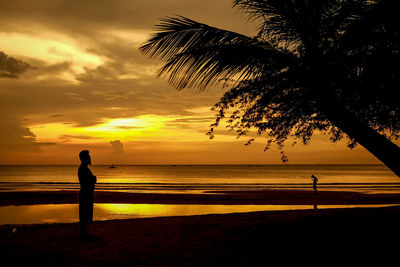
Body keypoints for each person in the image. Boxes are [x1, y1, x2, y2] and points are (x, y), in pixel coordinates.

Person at [78, 150, 97, 239]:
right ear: (84, 158)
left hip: (87, 192)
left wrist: (92, 179)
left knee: (86, 212)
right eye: (88, 157)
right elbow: (89, 181)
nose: (90, 158)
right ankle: (83, 233)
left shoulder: (84, 168)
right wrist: (93, 179)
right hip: (86, 193)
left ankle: (84, 233)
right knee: (85, 213)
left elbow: (91, 180)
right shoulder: (83, 169)